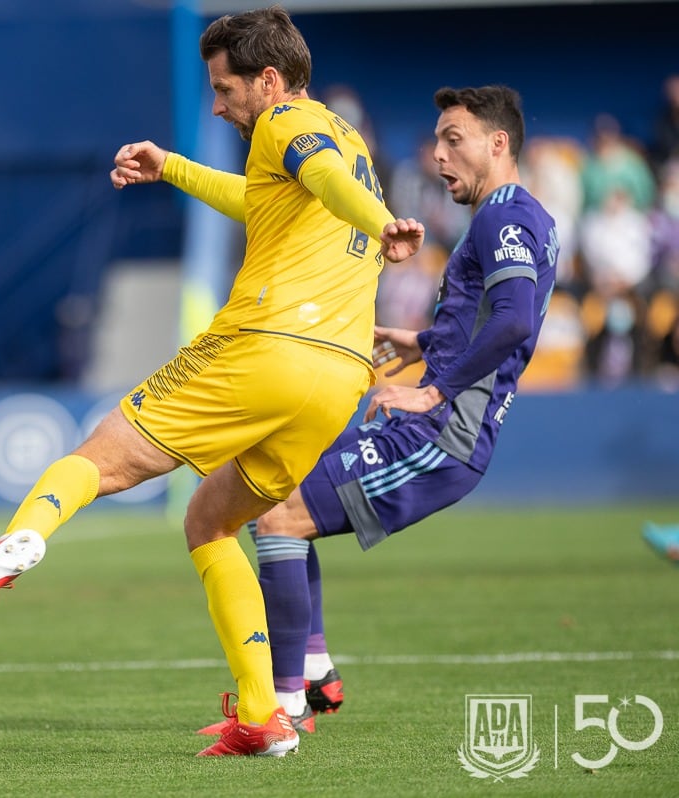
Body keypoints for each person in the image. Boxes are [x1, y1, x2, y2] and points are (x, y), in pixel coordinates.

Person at [0, 5, 423, 758]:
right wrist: (172, 168)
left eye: (225, 90)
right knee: (211, 522)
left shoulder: (286, 124)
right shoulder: (343, 137)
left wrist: (383, 220)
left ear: (269, 79)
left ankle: (14, 547)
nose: (218, 105)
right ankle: (263, 715)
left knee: (100, 456)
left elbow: (322, 180)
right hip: (337, 377)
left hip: (264, 346)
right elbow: (268, 201)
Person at [205, 85, 558, 733]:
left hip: (443, 434)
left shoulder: (505, 217)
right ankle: (311, 675)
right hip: (438, 424)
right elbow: (495, 318)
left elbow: (513, 325)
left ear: (498, 143)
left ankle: (285, 706)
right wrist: (421, 343)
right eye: (437, 140)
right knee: (275, 500)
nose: (439, 154)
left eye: (455, 139)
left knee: (278, 516)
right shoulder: (509, 217)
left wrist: (433, 389)